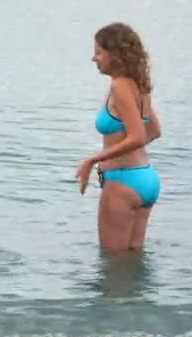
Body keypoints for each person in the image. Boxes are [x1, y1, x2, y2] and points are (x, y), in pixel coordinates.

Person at [76, 22, 162, 251]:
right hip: (146, 178)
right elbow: (154, 130)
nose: (94, 59)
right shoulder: (139, 84)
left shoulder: (119, 87)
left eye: (98, 53)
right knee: (132, 262)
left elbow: (137, 136)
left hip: (123, 183)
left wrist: (94, 160)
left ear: (115, 54)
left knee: (113, 268)